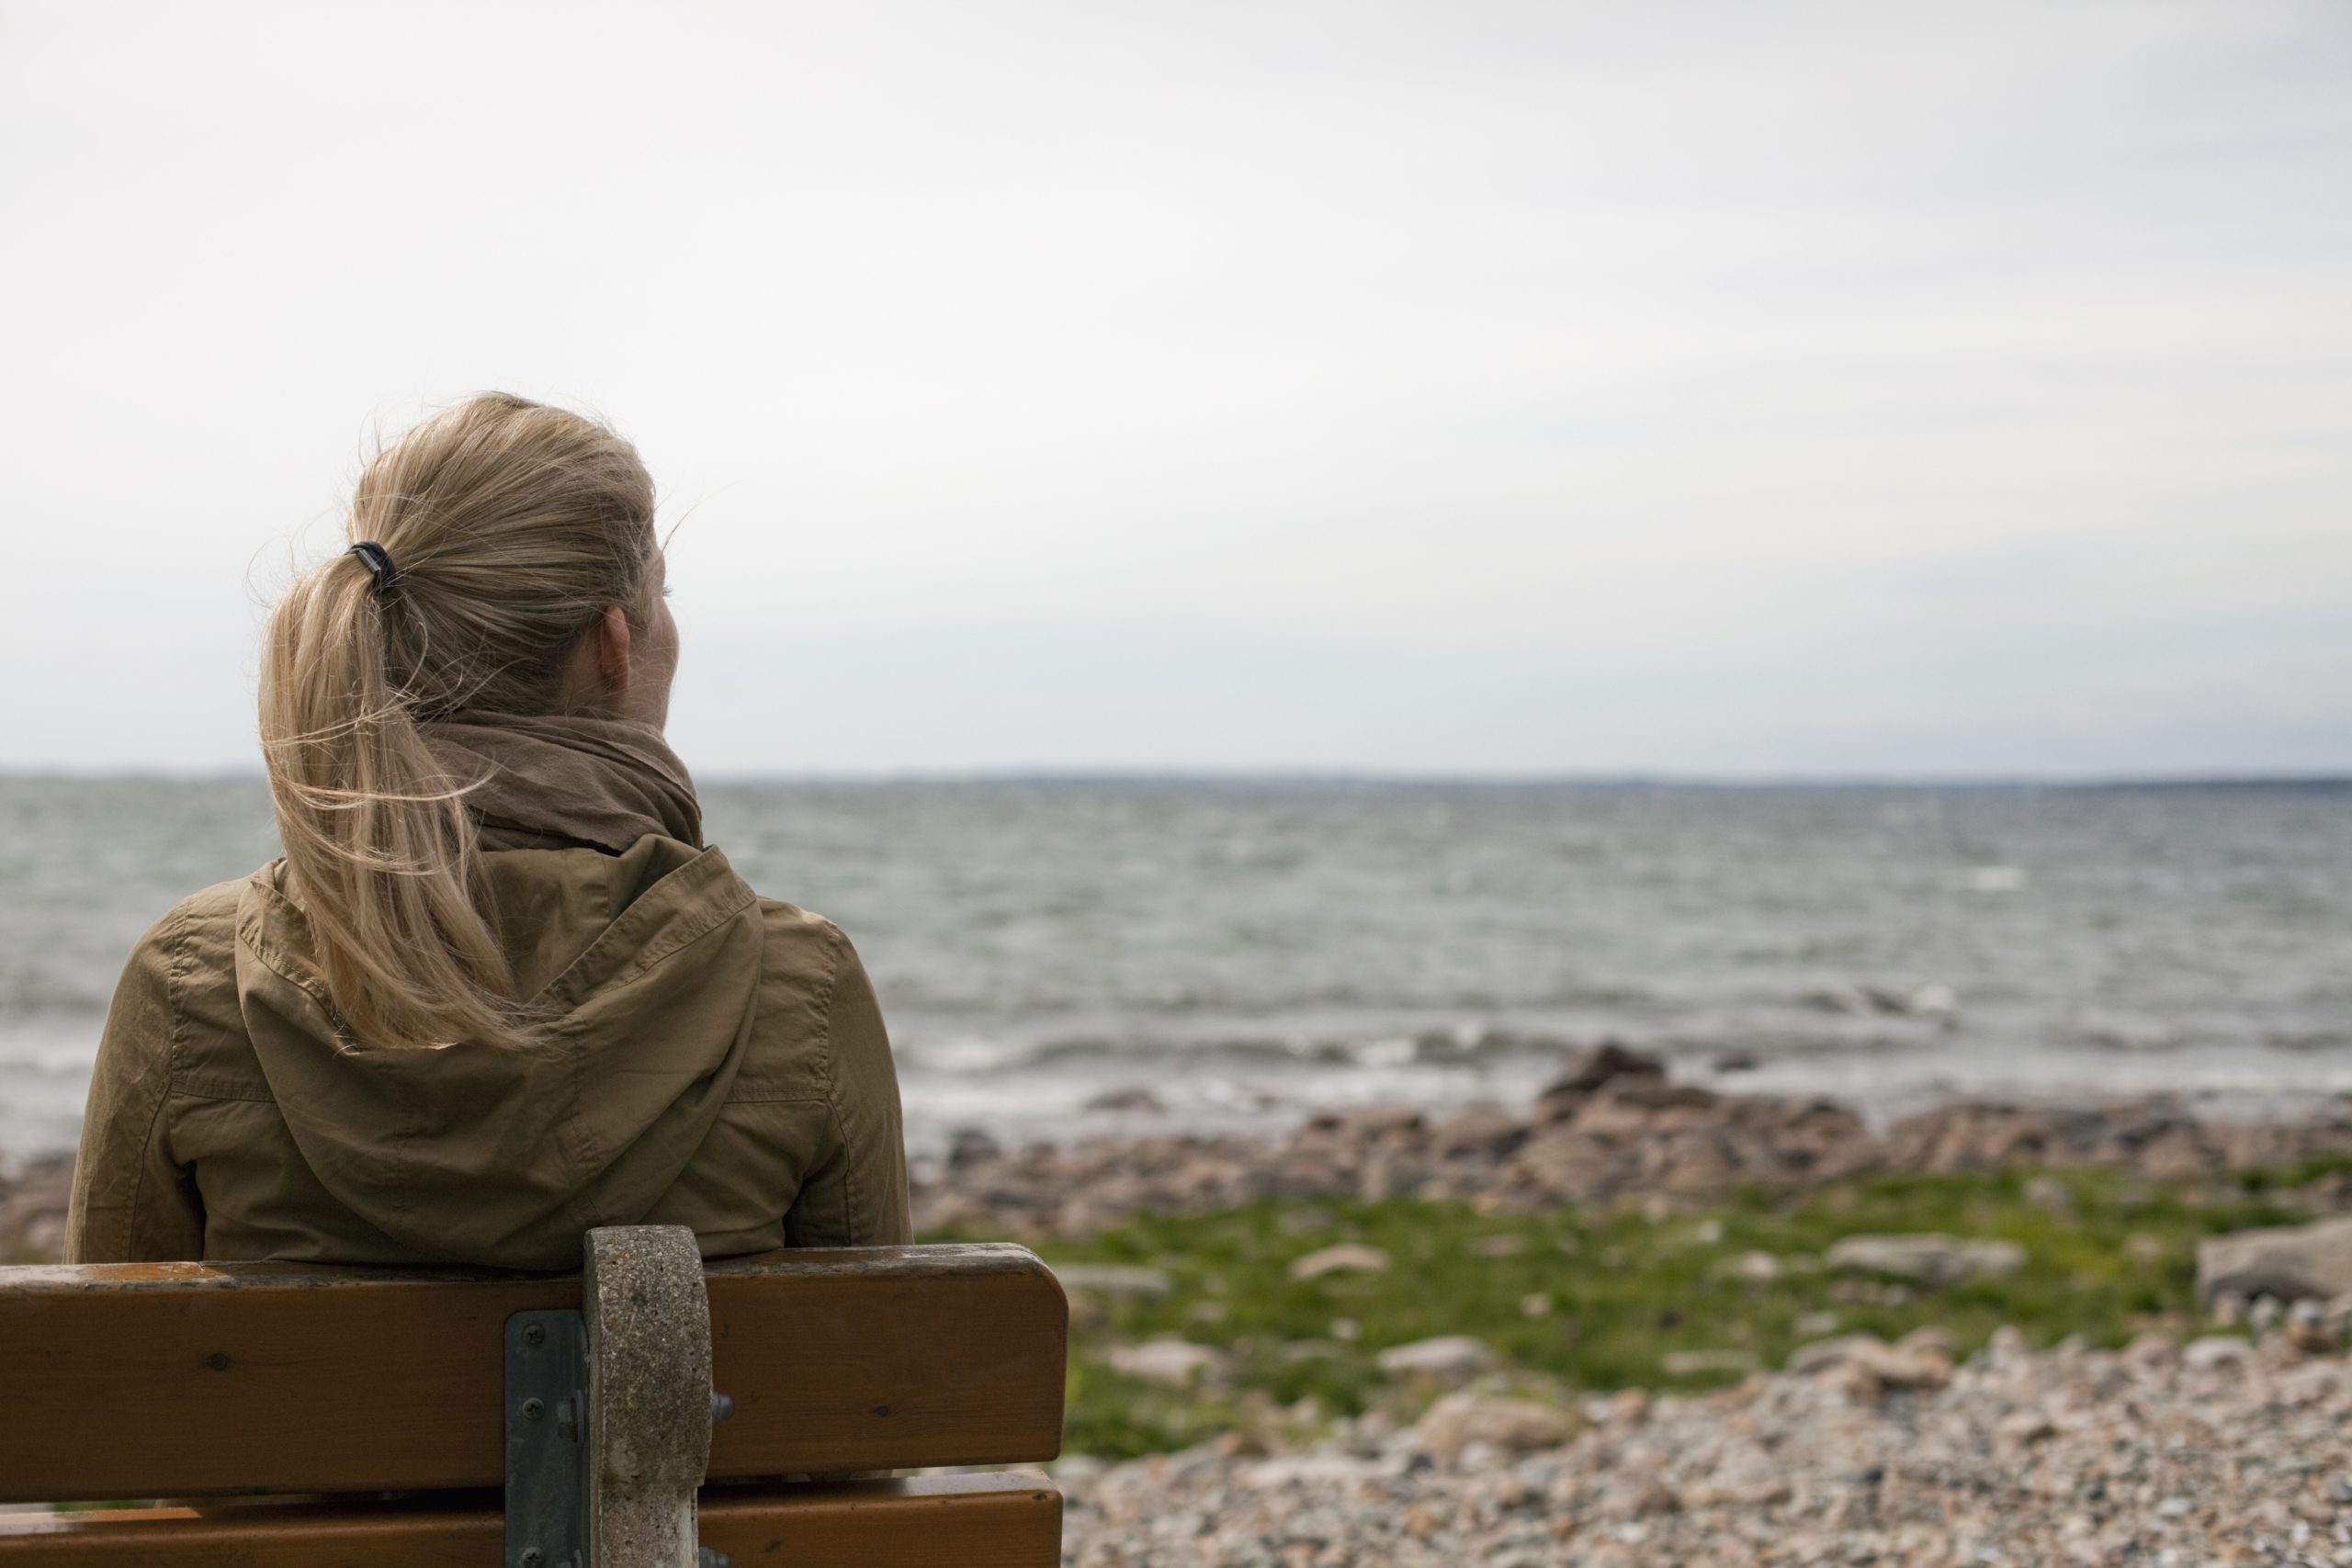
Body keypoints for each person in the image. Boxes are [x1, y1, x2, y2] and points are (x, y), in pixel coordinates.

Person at [64, 393, 910, 1267]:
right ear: (614, 645)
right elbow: (884, 1382)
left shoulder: (190, 980)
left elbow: (98, 1369)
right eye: (663, 595)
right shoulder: (798, 987)